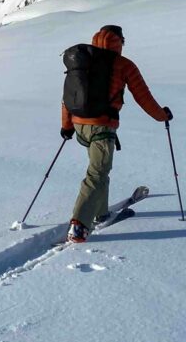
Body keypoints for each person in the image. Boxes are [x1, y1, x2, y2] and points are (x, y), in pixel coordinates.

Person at [61, 24, 172, 243]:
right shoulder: (123, 65)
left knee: (100, 169)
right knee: (96, 174)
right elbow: (143, 97)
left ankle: (100, 213)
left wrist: (66, 126)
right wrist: (162, 116)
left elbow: (68, 96)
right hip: (102, 126)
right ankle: (79, 225)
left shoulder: (82, 62)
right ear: (119, 41)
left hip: (80, 124)